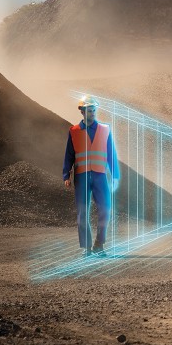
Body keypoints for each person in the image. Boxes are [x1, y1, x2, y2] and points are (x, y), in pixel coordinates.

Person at [63, 96, 120, 257]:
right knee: (82, 213)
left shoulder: (105, 129)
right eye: (89, 110)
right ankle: (87, 248)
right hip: (81, 176)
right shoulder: (74, 131)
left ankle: (99, 245)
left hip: (100, 175)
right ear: (82, 111)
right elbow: (69, 154)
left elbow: (111, 154)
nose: (93, 113)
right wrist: (66, 174)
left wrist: (115, 175)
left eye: (94, 110)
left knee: (106, 209)